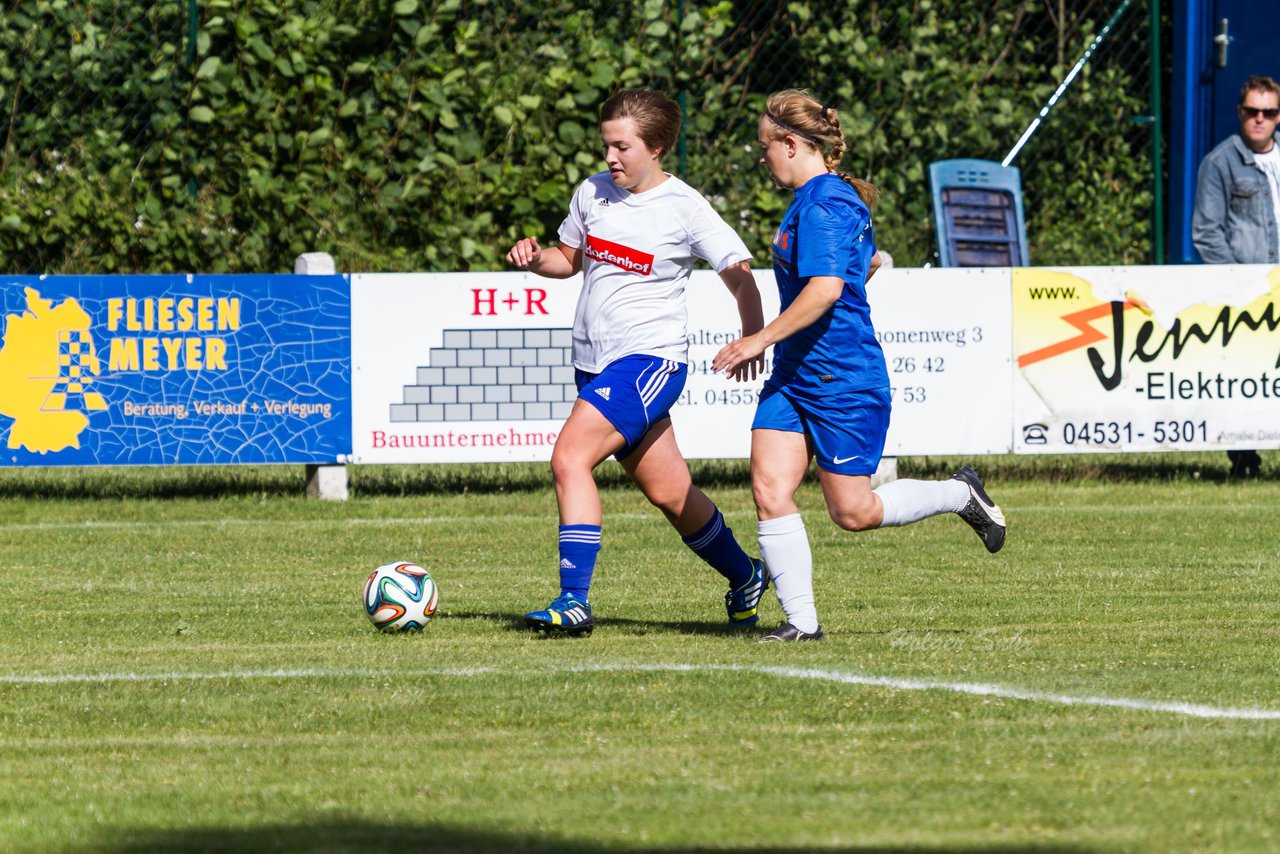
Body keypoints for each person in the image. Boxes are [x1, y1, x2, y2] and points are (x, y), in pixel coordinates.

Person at [712, 89, 1007, 642]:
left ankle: (959, 493)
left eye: (765, 146)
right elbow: (863, 263)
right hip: (795, 376)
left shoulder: (824, 203)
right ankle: (801, 624)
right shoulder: (824, 199)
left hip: (842, 379)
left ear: (793, 144)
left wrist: (759, 339)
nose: (762, 157)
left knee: (853, 512)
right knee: (769, 488)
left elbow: (825, 289)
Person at [506, 88, 768, 636]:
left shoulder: (686, 208)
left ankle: (573, 601)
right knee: (671, 495)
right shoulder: (593, 193)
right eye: (606, 145)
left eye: (621, 147)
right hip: (595, 365)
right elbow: (570, 259)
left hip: (649, 363)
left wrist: (753, 338)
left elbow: (740, 276)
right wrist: (535, 262)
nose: (610, 158)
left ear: (658, 146)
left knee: (568, 459)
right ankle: (746, 576)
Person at [1191, 74, 1280, 479]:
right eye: (1252, 111)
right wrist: (1237, 281)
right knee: (1244, 372)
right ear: (1240, 113)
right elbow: (1207, 233)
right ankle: (1244, 458)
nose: (1260, 119)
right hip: (1246, 289)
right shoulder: (1220, 162)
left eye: (1269, 111)